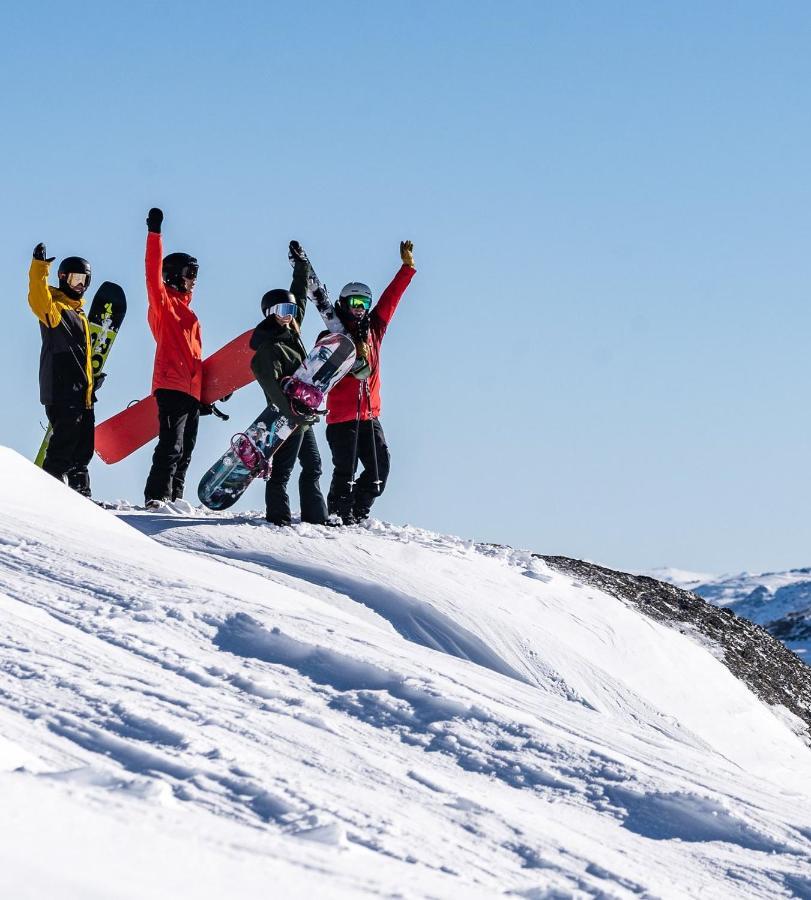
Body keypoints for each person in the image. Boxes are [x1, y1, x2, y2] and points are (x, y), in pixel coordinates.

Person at [324, 240, 416, 524]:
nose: (359, 308)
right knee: (345, 471)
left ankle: (358, 511)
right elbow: (324, 368)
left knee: (379, 473)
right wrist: (350, 358)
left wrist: (406, 269)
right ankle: (338, 515)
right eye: (354, 302)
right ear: (343, 304)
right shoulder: (331, 337)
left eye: (364, 302)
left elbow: (390, 302)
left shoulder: (374, 330)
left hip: (369, 416)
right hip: (342, 418)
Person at [249, 244, 327, 526]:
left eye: (291, 309)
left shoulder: (291, 333)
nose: (289, 314)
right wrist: (291, 415)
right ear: (270, 312)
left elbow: (300, 297)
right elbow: (271, 388)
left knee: (314, 467)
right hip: (286, 416)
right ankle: (278, 519)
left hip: (302, 416)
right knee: (283, 470)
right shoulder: (267, 350)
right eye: (283, 310)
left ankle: (316, 519)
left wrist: (301, 265)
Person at [142, 207, 204, 508]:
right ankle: (157, 497)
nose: (194, 280)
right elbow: (152, 273)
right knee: (171, 445)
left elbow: (193, 357)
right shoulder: (164, 305)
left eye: (196, 274)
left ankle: (176, 499)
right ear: (174, 275)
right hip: (171, 387)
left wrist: (211, 388)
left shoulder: (189, 313)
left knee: (186, 448)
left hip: (191, 391)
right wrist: (155, 233)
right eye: (189, 274)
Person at [28, 243, 99, 497]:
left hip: (82, 395)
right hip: (62, 392)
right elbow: (38, 299)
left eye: (85, 280)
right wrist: (39, 268)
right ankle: (48, 496)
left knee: (83, 449)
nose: (80, 285)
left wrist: (91, 381)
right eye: (76, 279)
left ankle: (81, 495)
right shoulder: (55, 310)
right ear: (63, 278)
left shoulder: (78, 313)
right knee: (63, 447)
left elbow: (78, 357)